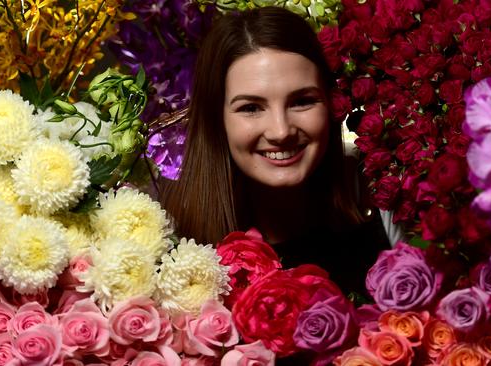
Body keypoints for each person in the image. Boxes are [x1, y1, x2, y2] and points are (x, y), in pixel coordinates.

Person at [159, 6, 400, 296]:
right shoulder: (168, 244)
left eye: (302, 101)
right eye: (250, 108)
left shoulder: (380, 201)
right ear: (216, 119)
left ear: (330, 103)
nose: (281, 131)